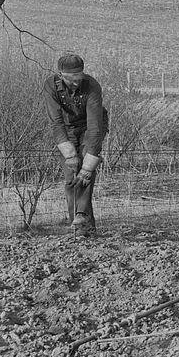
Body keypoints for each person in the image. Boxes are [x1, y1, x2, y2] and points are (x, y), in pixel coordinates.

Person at [44, 54, 109, 235]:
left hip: (91, 127)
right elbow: (55, 122)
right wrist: (69, 154)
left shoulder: (92, 86)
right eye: (71, 79)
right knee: (71, 175)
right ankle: (80, 227)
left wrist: (88, 164)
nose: (76, 82)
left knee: (85, 174)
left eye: (79, 77)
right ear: (60, 75)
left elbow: (95, 126)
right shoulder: (50, 86)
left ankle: (81, 218)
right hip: (66, 129)